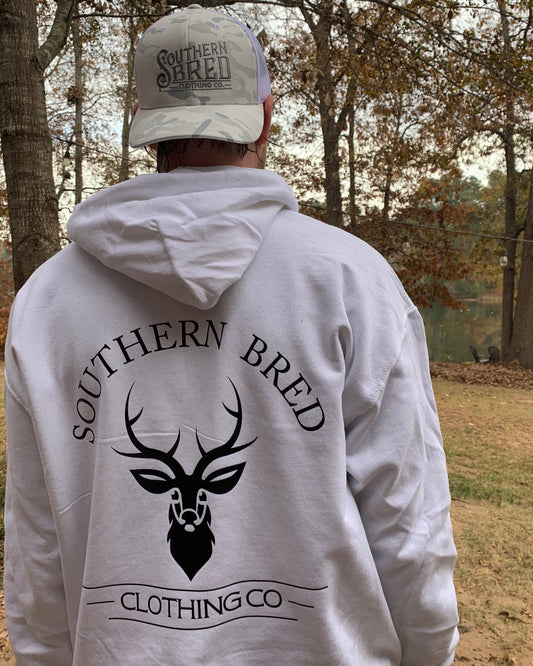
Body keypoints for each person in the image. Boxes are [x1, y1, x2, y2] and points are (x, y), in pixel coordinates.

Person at [4, 5, 459, 664]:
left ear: (144, 120)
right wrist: (430, 650)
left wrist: (45, 655)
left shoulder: (48, 300)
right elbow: (407, 519)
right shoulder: (348, 280)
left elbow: (37, 538)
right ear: (265, 115)